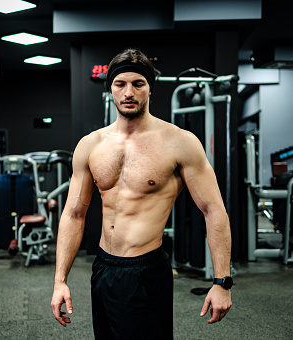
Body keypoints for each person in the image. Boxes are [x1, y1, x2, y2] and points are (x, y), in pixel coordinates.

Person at [51, 48, 232, 339]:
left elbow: (214, 211)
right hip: (103, 268)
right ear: (111, 88)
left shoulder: (180, 143)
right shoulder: (91, 144)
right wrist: (60, 281)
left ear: (150, 88)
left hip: (146, 270)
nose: (128, 92)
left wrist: (222, 281)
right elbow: (74, 214)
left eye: (138, 84)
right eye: (120, 84)